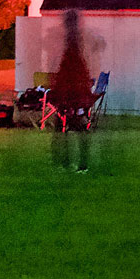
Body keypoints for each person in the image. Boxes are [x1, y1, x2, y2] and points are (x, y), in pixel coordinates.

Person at [49, 9, 103, 172]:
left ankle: (69, 163)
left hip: (72, 94)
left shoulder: (74, 44)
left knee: (67, 127)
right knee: (72, 128)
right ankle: (75, 164)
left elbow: (72, 69)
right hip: (74, 95)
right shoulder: (75, 43)